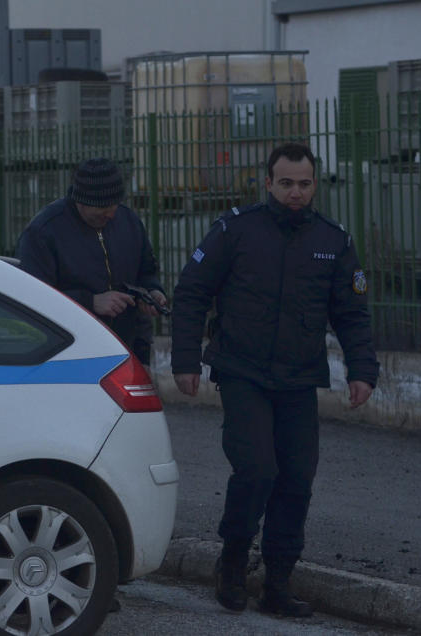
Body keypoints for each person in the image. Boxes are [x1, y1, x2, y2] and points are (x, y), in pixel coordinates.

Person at [170, 142, 379, 617]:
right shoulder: (235, 231)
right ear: (268, 183)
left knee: (296, 479)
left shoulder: (333, 240)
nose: (295, 193)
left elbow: (352, 314)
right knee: (257, 470)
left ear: (314, 185)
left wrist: (363, 370)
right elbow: (191, 293)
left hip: (299, 379)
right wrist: (186, 360)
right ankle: (233, 561)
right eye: (286, 183)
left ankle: (279, 581)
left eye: (304, 184)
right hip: (242, 372)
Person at [16, 157, 167, 364]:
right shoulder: (44, 232)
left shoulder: (129, 222)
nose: (111, 214)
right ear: (81, 201)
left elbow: (146, 271)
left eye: (115, 205)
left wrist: (152, 292)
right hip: (69, 357)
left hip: (126, 351)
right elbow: (32, 299)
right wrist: (90, 302)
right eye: (103, 208)